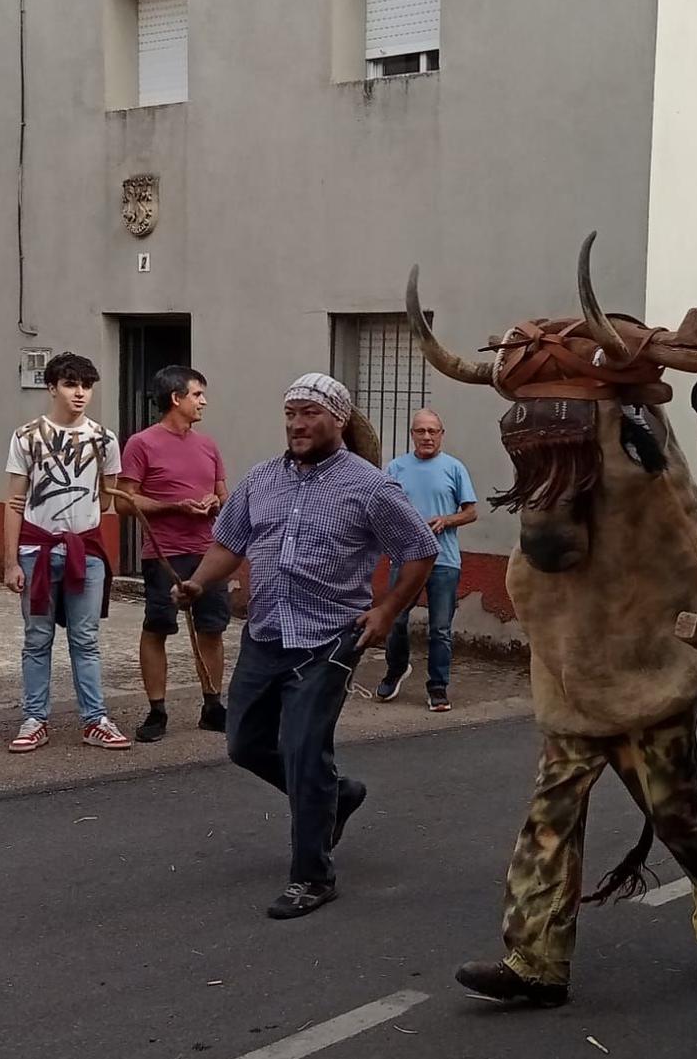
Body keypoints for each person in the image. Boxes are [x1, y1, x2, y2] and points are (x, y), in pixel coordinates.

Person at [174, 374, 438, 918]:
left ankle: (312, 875)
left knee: (302, 752)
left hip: (329, 641)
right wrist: (200, 583)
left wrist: (387, 610)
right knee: (244, 744)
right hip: (266, 635)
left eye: (310, 413)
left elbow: (419, 550)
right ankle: (336, 797)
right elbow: (229, 542)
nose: (297, 423)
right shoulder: (261, 480)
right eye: (291, 412)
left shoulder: (370, 487)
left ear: (338, 420)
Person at [4, 352, 130, 753]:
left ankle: (95, 719)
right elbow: (13, 502)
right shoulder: (26, 436)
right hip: (36, 549)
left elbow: (108, 497)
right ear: (52, 387)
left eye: (86, 386)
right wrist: (10, 561)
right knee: (37, 638)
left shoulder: (104, 439)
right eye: (71, 384)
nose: (80, 393)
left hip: (86, 548)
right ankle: (34, 718)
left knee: (86, 637)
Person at [118, 366, 230, 743]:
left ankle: (213, 706)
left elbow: (223, 495)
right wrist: (174, 507)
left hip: (207, 552)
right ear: (175, 399)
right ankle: (157, 711)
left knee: (211, 629)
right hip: (164, 555)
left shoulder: (209, 445)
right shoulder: (141, 444)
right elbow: (123, 502)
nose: (204, 402)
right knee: (158, 628)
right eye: (197, 394)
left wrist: (214, 502)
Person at [377, 408, 477, 710]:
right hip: (405, 559)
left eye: (433, 431)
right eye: (421, 431)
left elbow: (471, 512)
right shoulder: (395, 468)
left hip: (443, 561)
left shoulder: (454, 468)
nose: (427, 437)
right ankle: (395, 670)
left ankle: (437, 687)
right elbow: (382, 508)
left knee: (441, 629)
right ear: (412, 435)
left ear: (441, 434)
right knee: (395, 620)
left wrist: (446, 520)